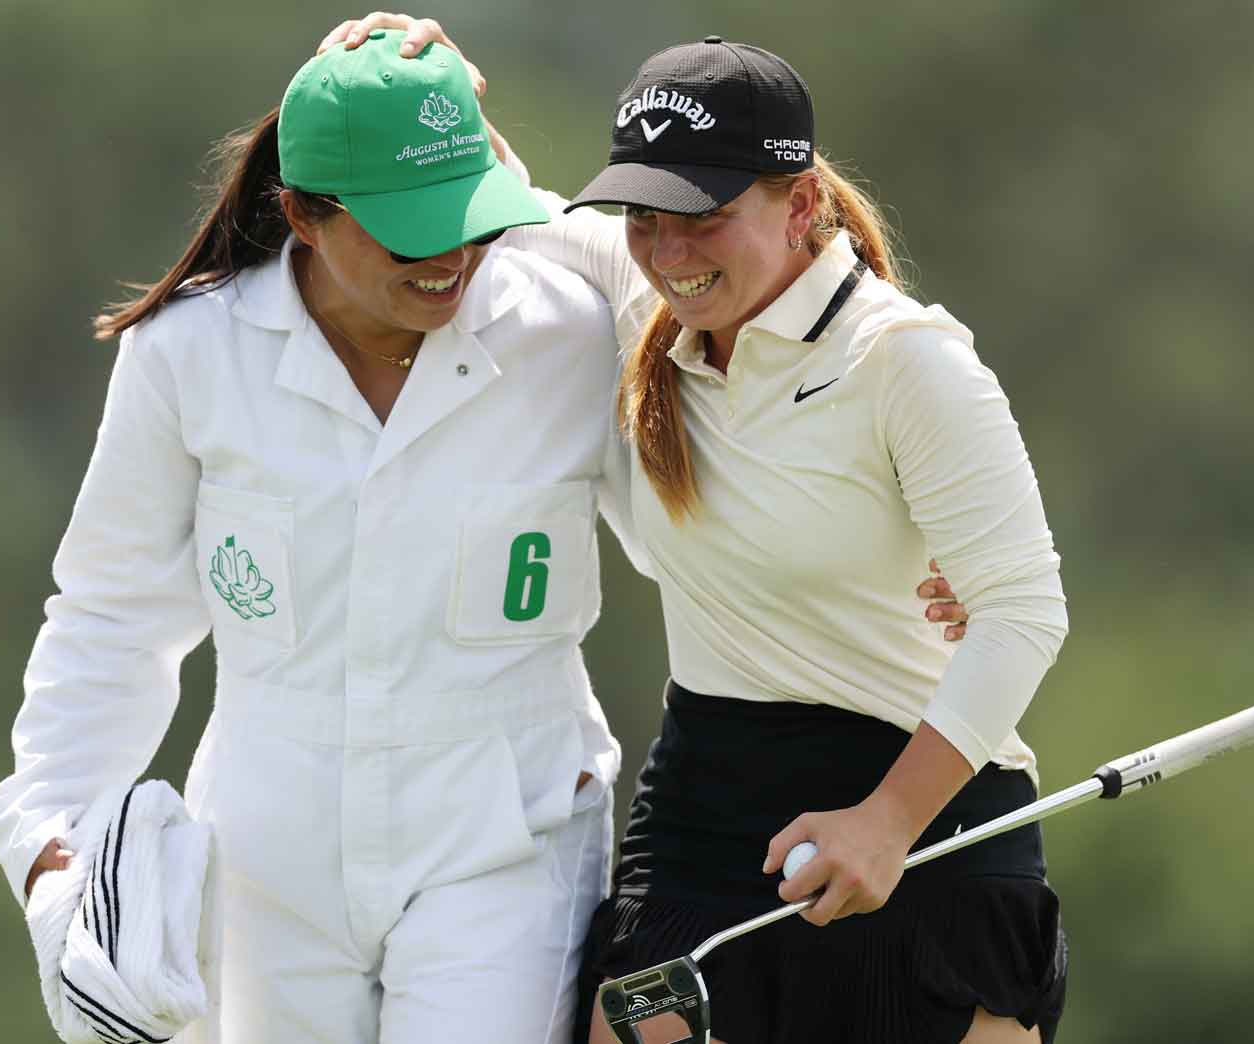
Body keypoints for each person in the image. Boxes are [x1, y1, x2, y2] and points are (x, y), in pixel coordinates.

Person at [323, 17, 1069, 1044]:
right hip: (705, 806)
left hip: (924, 810)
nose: (669, 253)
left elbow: (1022, 613)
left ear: (798, 203)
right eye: (643, 216)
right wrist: (409, 74)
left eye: (704, 218)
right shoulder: (643, 291)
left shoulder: (906, 361)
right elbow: (505, 202)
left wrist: (888, 822)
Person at [0, 32, 637, 1044]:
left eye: (468, 217)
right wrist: (49, 837)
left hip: (510, 840)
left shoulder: (573, 332)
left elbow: (708, 509)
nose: (451, 259)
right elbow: (114, 615)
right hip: (265, 861)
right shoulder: (188, 352)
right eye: (410, 232)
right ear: (304, 215)